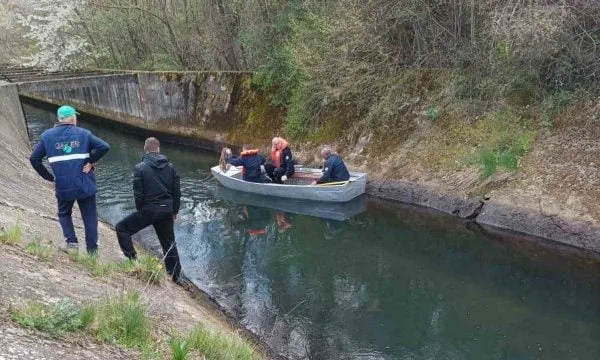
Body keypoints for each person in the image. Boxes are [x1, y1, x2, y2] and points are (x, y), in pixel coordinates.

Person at [30, 105, 110, 254]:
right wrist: (90, 161)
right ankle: (92, 251)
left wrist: (49, 177)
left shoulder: (47, 136)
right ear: (73, 118)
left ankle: (72, 242)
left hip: (63, 185)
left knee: (64, 213)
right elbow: (104, 147)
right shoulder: (84, 134)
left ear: (59, 119)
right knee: (90, 218)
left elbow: (34, 159)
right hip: (84, 184)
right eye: (76, 117)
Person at [115, 137, 182, 282]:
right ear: (158, 149)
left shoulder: (140, 168)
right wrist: (174, 211)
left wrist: (142, 211)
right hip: (166, 210)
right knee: (169, 244)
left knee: (122, 228)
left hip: (149, 210)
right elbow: (176, 191)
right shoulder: (171, 167)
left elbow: (138, 194)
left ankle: (133, 259)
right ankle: (176, 276)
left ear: (145, 149)